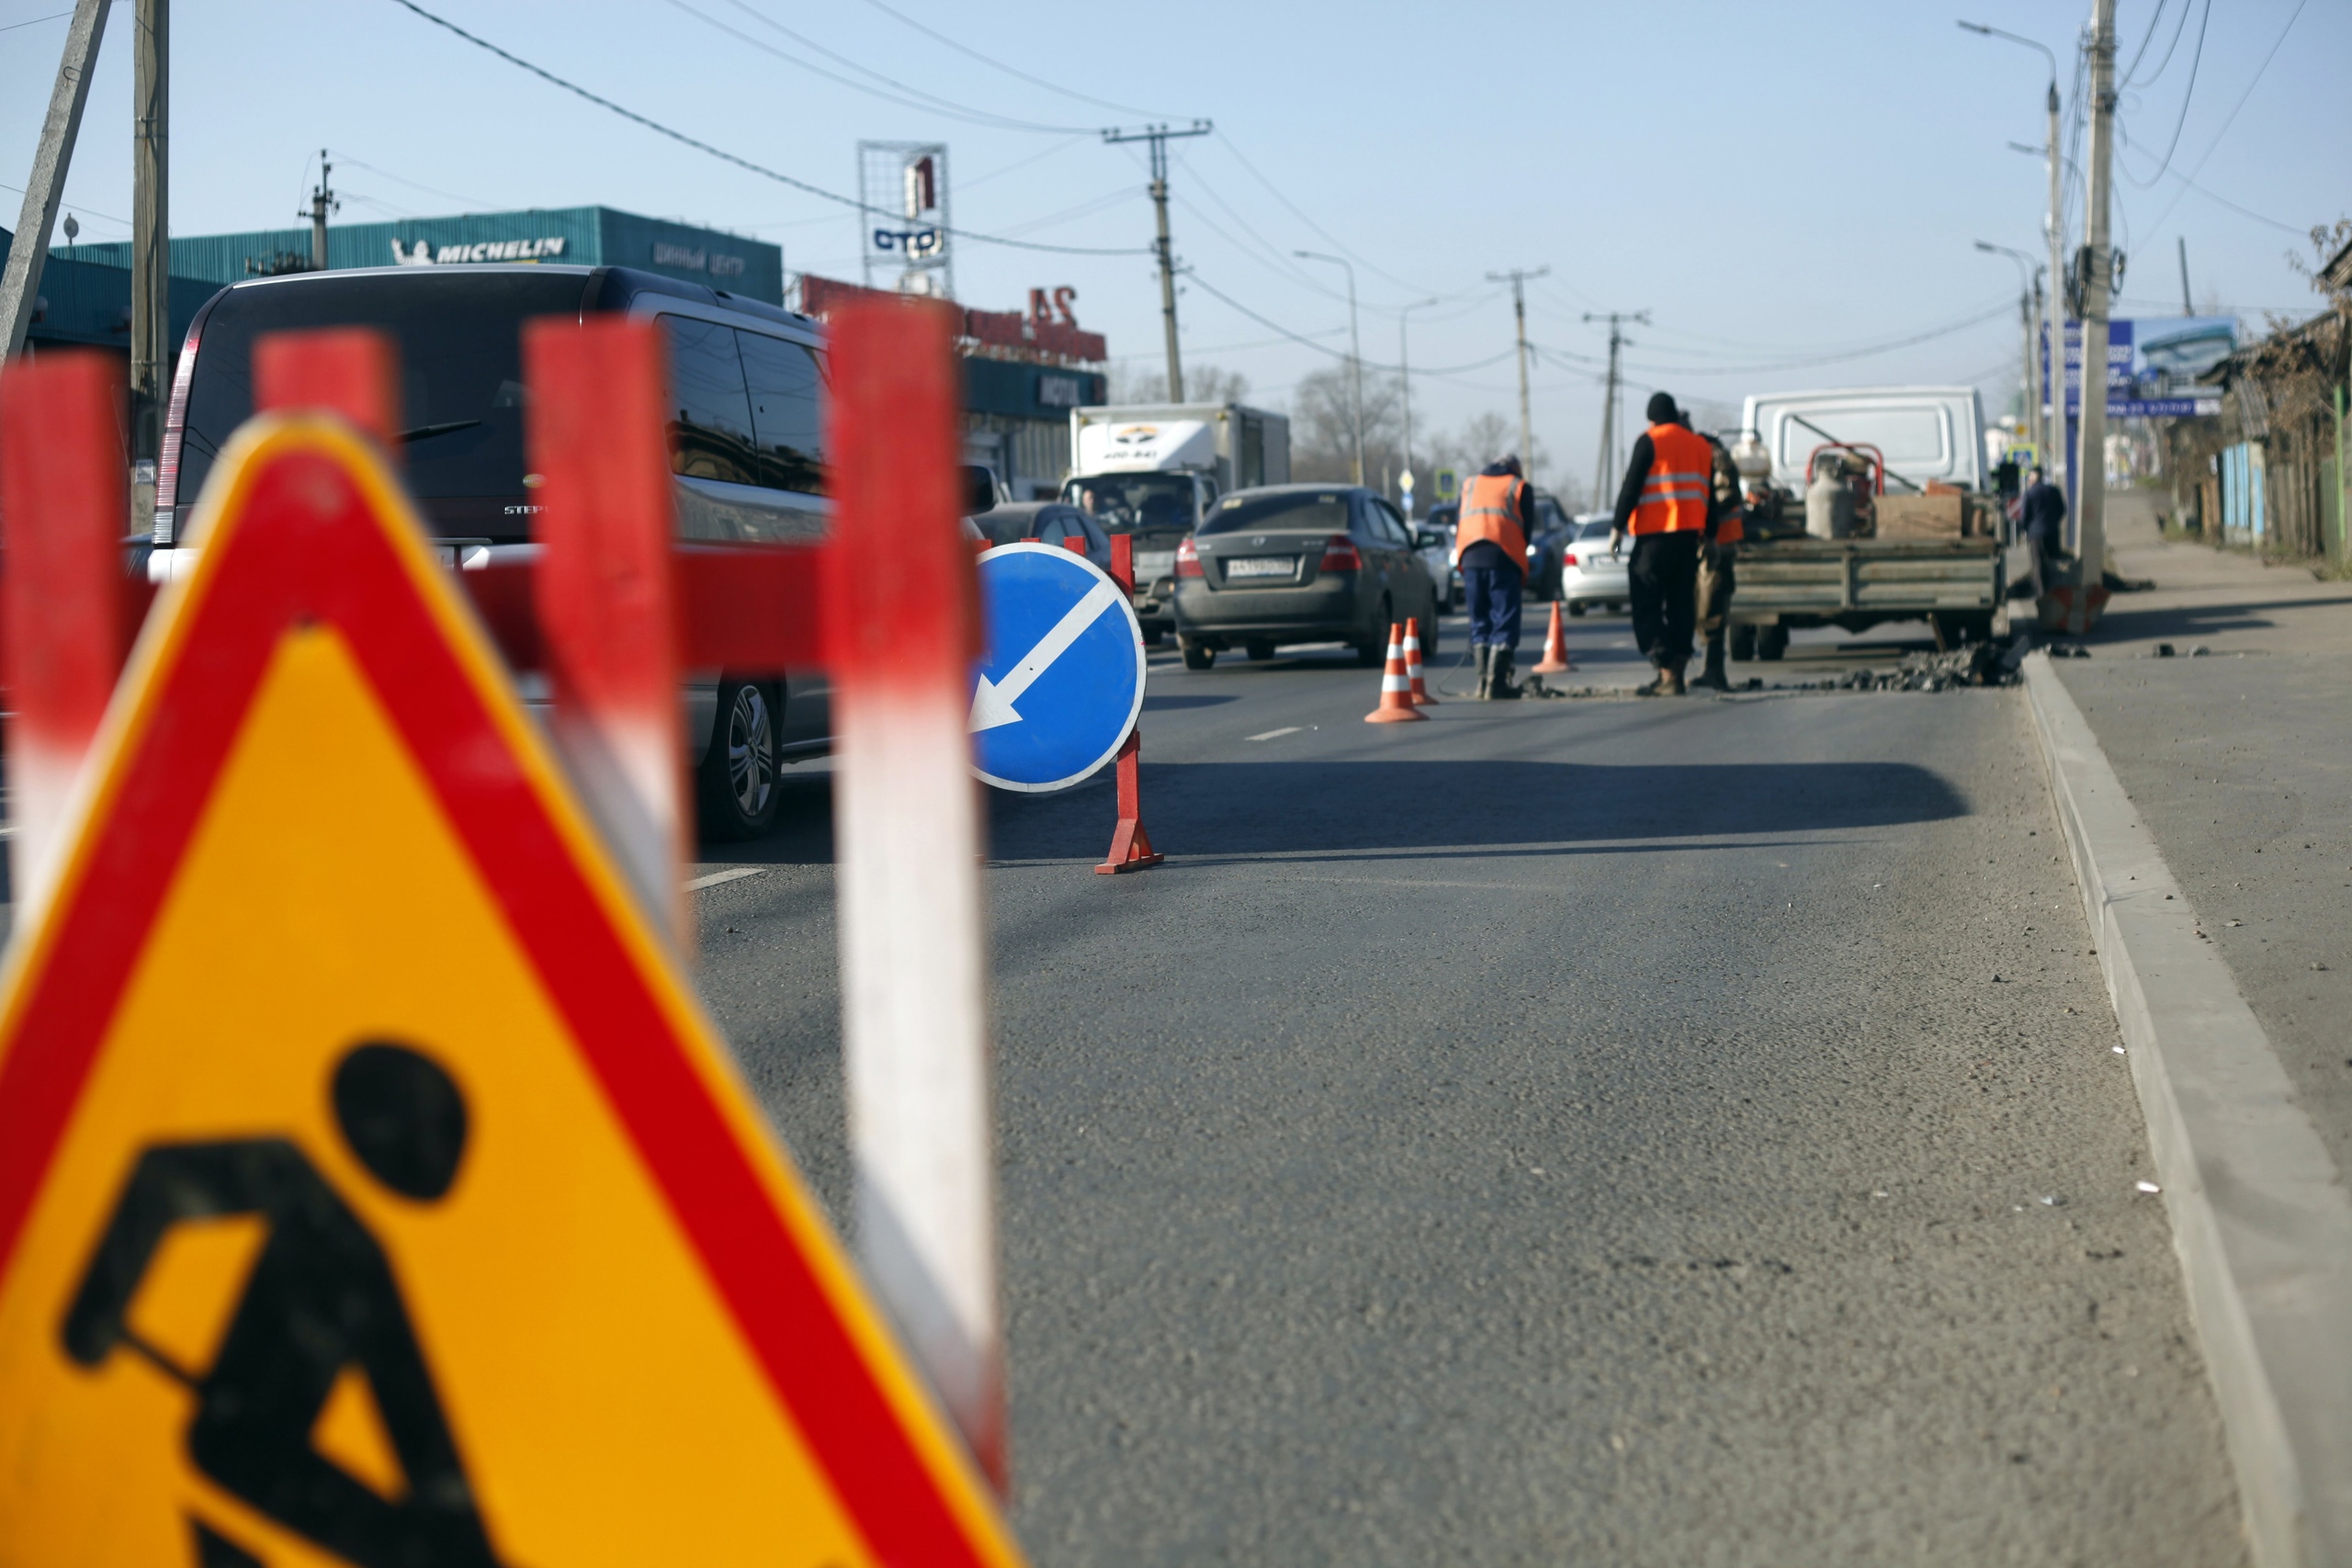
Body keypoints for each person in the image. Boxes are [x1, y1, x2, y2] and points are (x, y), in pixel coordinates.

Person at [1610, 393, 1730, 696]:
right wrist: (1712, 536)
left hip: (1654, 538)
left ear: (1652, 418)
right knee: (1681, 604)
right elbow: (1710, 499)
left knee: (1646, 600)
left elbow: (1631, 488)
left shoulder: (1649, 441)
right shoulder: (1700, 446)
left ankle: (1664, 668)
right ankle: (1676, 668)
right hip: (1689, 539)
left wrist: (1617, 527)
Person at [1452, 455, 1537, 699]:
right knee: (1505, 617)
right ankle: (1497, 683)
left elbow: (1461, 518)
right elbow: (1526, 531)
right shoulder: (1518, 486)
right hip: (1504, 557)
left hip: (1470, 556)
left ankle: (1482, 682)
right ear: (1515, 470)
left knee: (1479, 619)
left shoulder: (1470, 484)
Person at [1690, 431, 1747, 692]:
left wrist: (1704, 518)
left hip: (1720, 545)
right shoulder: (1708, 453)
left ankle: (1714, 672)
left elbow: (1728, 495)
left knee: (1713, 608)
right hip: (1713, 544)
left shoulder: (1715, 455)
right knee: (1706, 607)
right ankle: (1710, 670)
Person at [2018, 464, 2067, 601]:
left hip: (2036, 535)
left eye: (2030, 476)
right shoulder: (2053, 490)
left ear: (2034, 476)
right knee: (2054, 562)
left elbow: (2024, 516)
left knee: (2039, 565)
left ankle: (2042, 595)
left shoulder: (2029, 493)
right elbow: (2062, 509)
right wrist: (2054, 522)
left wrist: (2025, 530)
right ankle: (2057, 592)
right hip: (2053, 532)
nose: (2029, 478)